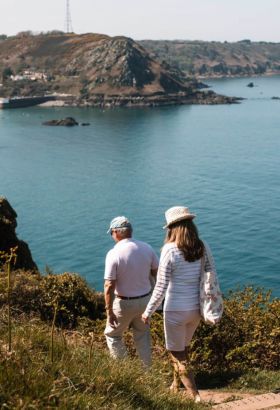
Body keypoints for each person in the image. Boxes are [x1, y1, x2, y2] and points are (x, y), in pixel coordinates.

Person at [142, 206, 217, 402]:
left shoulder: (169, 249)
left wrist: (148, 311)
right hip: (196, 310)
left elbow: (160, 286)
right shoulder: (202, 246)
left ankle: (195, 398)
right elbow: (211, 274)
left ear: (172, 228)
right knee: (183, 349)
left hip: (175, 310)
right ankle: (176, 385)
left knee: (177, 354)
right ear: (191, 225)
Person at [104, 216, 159, 367]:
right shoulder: (146, 247)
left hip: (124, 303)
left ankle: (125, 371)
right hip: (146, 301)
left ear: (116, 232)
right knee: (142, 336)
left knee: (113, 335)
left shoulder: (114, 253)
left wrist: (109, 312)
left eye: (111, 233)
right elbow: (157, 273)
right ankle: (146, 373)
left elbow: (109, 285)